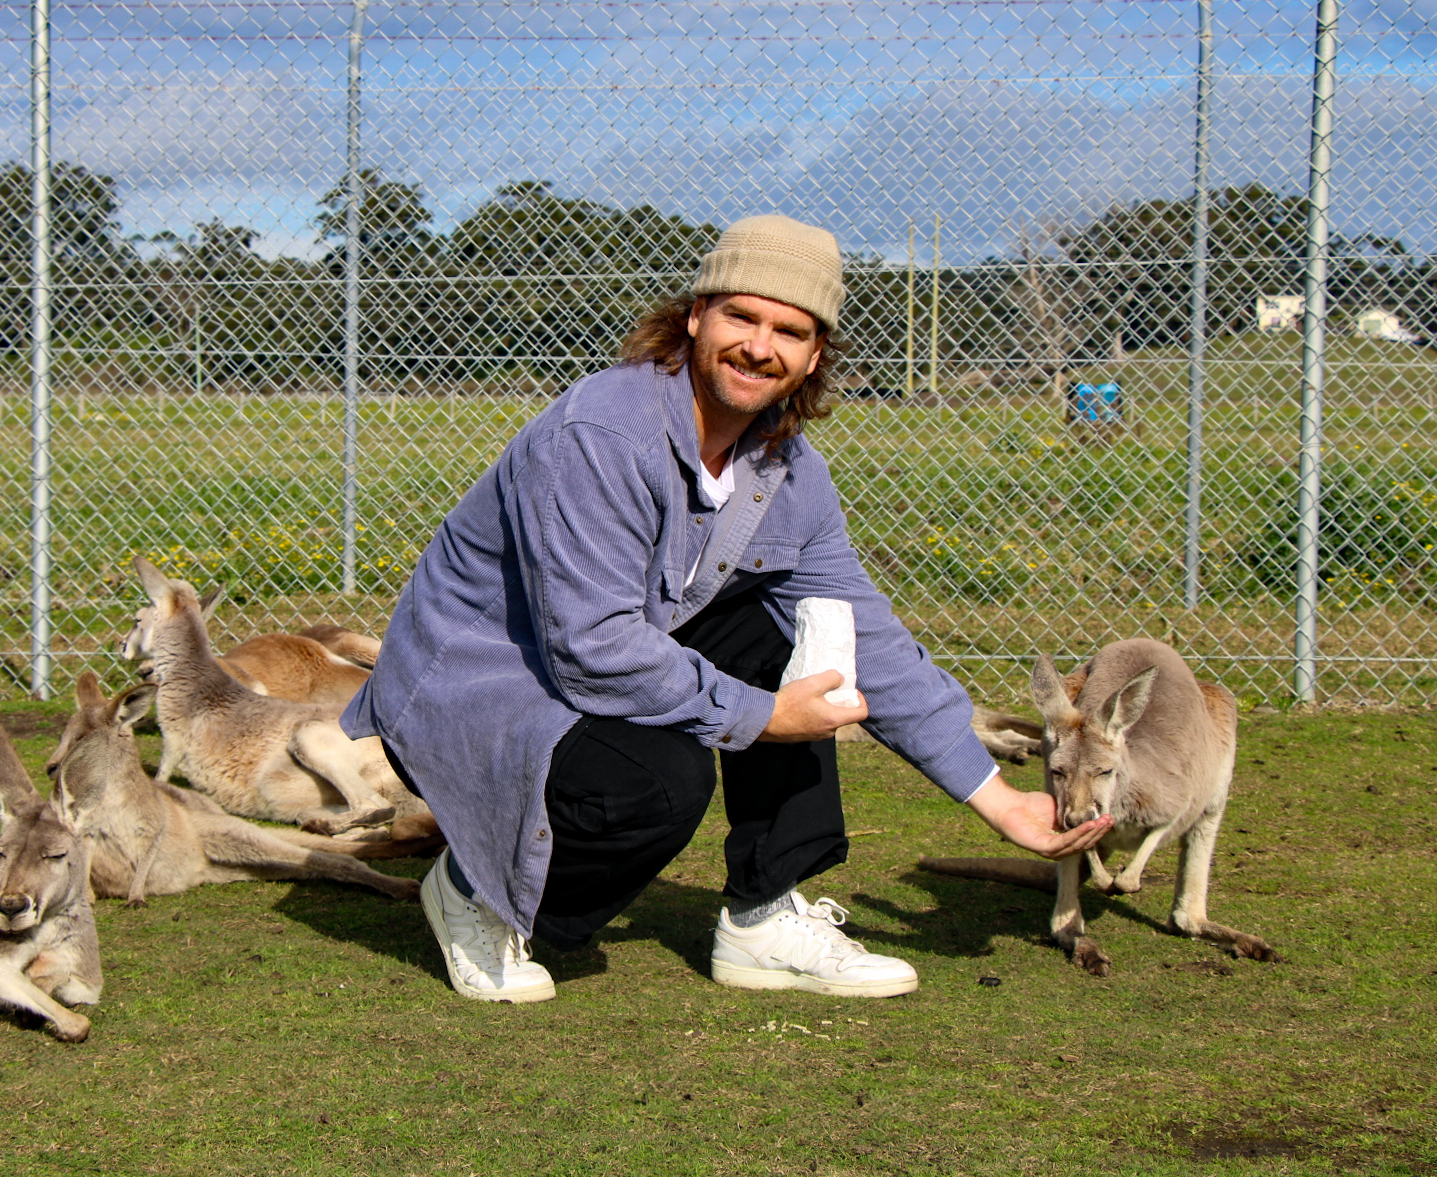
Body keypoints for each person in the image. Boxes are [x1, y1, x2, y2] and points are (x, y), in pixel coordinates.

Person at [340, 214, 1111, 1003]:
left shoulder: (787, 469)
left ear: (814, 355)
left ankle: (762, 916)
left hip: (596, 656)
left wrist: (998, 798)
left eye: (790, 330)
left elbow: (866, 634)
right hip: (477, 683)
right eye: (741, 316)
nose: (759, 346)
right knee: (656, 786)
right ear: (696, 317)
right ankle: (475, 891)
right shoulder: (604, 433)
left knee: (814, 642)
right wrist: (761, 716)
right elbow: (591, 646)